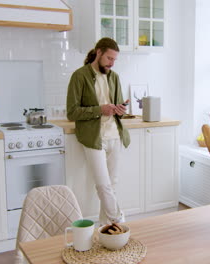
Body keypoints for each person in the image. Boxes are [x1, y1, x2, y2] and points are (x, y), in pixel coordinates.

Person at [66, 37, 130, 226]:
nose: (112, 63)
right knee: (103, 185)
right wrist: (99, 110)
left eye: (114, 60)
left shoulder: (114, 77)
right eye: (109, 58)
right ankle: (119, 220)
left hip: (115, 136)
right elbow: (72, 112)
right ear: (99, 53)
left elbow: (116, 107)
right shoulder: (80, 76)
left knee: (113, 184)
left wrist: (119, 110)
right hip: (95, 138)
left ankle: (105, 228)